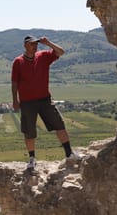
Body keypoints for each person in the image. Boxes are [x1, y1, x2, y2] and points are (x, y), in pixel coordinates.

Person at [11, 35, 79, 169]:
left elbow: (60, 52)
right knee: (29, 131)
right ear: (25, 45)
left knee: (59, 124)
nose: (34, 46)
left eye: (36, 44)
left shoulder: (43, 56)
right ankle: (32, 159)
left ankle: (69, 153)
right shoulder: (18, 62)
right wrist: (15, 100)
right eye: (31, 44)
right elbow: (14, 83)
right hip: (27, 102)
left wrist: (48, 43)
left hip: (45, 99)